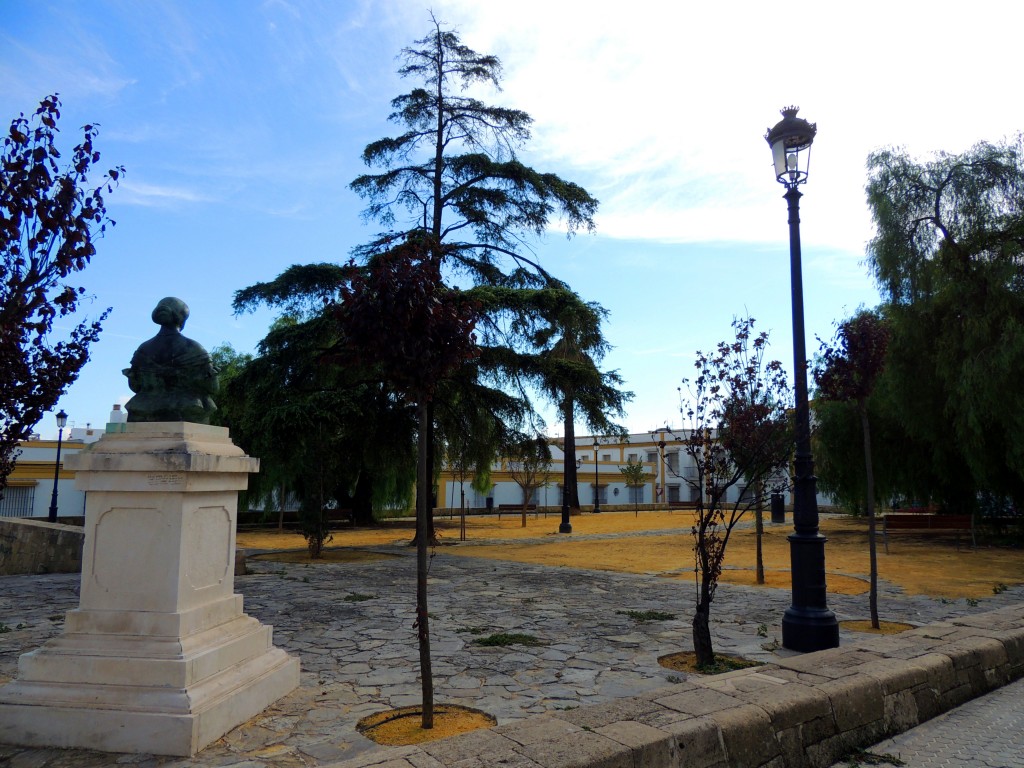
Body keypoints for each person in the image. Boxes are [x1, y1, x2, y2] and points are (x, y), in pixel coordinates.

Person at [123, 297, 218, 423]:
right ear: (182, 318)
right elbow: (212, 388)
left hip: (143, 407)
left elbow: (135, 386)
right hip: (186, 407)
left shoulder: (143, 349)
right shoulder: (194, 348)